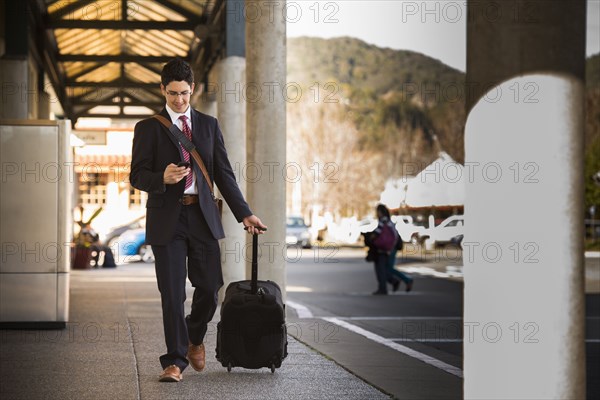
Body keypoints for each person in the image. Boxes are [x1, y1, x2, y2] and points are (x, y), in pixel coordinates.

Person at [130, 58, 267, 383]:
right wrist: (161, 177)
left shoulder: (208, 124)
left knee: (209, 287)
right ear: (163, 89)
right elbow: (136, 175)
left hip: (202, 216)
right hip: (167, 219)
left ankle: (194, 337)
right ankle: (175, 361)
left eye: (185, 93)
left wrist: (244, 212)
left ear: (193, 90)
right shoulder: (148, 127)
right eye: (173, 93)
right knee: (172, 293)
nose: (179, 100)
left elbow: (223, 173)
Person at [368, 204, 413, 295]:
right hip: (392, 247)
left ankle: (406, 280)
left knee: (387, 269)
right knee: (387, 268)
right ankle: (396, 281)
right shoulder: (388, 221)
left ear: (380, 212)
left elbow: (377, 233)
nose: (377, 214)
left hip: (390, 248)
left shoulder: (383, 221)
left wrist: (371, 238)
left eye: (377, 212)